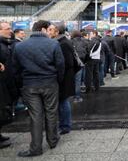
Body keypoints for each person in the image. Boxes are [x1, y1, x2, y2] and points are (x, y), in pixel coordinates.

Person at [13, 20, 65, 157]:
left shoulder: (20, 46)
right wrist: (57, 80)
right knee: (51, 112)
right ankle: (52, 140)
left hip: (29, 85)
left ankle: (36, 148)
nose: (50, 32)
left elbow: (15, 68)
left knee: (35, 116)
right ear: (43, 29)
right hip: (50, 83)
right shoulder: (53, 44)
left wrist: (21, 83)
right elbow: (60, 65)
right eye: (48, 29)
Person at [49, 23, 76, 135]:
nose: (48, 32)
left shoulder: (62, 43)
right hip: (65, 76)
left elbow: (67, 62)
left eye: (50, 30)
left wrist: (60, 75)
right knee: (63, 101)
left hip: (64, 78)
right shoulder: (62, 41)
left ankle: (65, 126)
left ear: (57, 32)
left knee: (63, 101)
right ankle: (64, 124)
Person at [0, 21, 16, 149]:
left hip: (6, 81)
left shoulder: (5, 43)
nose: (10, 31)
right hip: (1, 82)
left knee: (3, 109)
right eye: (7, 28)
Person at [71, 30, 89, 102]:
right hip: (81, 63)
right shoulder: (85, 41)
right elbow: (87, 52)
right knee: (78, 80)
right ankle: (77, 97)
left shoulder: (70, 41)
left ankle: (72, 95)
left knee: (72, 80)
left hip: (72, 63)